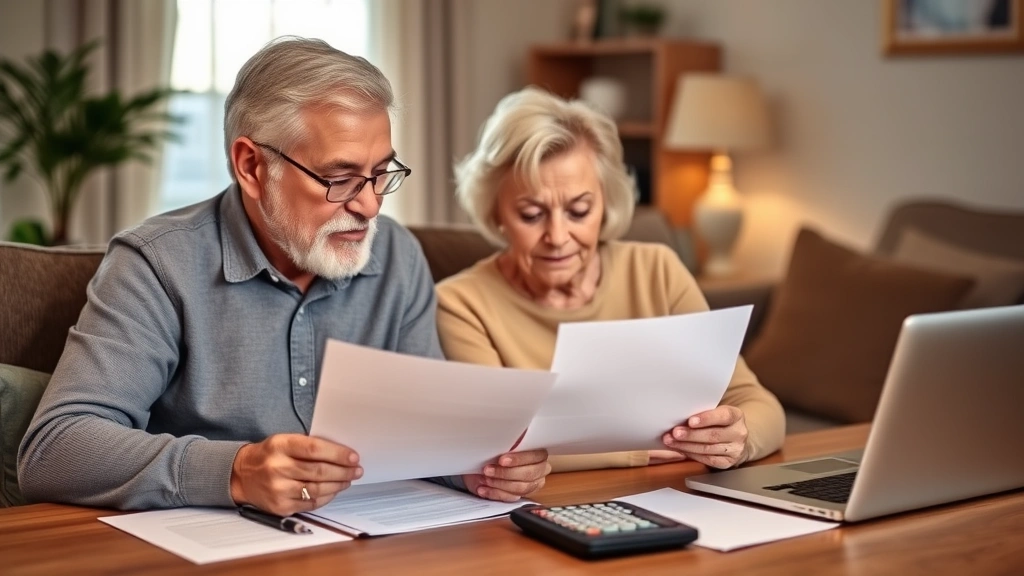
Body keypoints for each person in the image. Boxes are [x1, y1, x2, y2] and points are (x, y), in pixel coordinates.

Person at [17, 38, 549, 515]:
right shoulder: (156, 265)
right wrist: (235, 470)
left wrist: (475, 466)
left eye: (382, 173)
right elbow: (55, 448)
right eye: (339, 178)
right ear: (251, 166)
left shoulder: (398, 257)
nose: (368, 205)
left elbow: (422, 433)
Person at [436, 87, 786, 473]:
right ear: (496, 213)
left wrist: (738, 438)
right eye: (532, 214)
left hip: (673, 498)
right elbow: (495, 448)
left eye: (579, 210)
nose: (557, 236)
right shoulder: (461, 304)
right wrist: (635, 453)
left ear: (606, 205)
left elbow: (757, 404)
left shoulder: (657, 271)